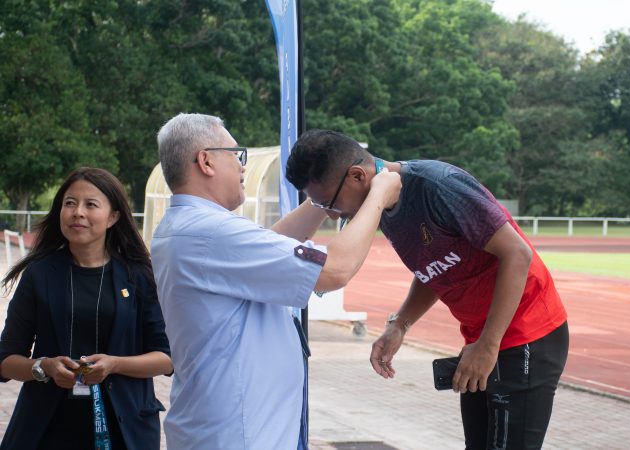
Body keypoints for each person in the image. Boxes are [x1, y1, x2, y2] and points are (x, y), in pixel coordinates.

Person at [286, 129, 569, 450]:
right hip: (482, 338)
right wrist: (400, 324)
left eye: (329, 203)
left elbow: (518, 254)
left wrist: (489, 345)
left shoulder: (439, 187)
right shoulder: (384, 204)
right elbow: (435, 264)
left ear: (357, 176)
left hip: (528, 332)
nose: (329, 214)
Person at [150, 113, 401, 449]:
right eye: (236, 155)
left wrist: (325, 197)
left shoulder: (187, 226)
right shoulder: (211, 232)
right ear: (206, 161)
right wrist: (378, 196)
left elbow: (272, 246)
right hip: (239, 434)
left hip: (225, 428)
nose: (242, 166)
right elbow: (334, 269)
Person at [0, 167, 173, 450]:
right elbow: (6, 360)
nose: (78, 212)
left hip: (124, 429)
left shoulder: (138, 276)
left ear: (113, 217)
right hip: (48, 430)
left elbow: (166, 358)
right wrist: (43, 367)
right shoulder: (39, 274)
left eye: (91, 204)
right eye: (70, 203)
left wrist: (115, 364)